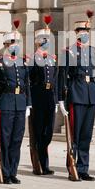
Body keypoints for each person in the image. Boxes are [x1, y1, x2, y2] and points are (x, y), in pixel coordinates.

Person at [0, 20, 32, 184]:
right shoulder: (0, 62)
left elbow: (27, 84)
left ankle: (13, 172)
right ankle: (4, 172)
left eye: (17, 42)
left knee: (17, 140)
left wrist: (28, 104)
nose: (16, 45)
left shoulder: (22, 62)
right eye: (13, 42)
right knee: (5, 139)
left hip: (20, 103)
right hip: (6, 103)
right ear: (6, 44)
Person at [58, 10, 95, 181]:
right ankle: (72, 167)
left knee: (86, 135)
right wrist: (61, 99)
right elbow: (62, 76)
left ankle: (83, 168)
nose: (85, 34)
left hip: (90, 95)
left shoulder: (93, 51)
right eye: (82, 31)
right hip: (76, 94)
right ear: (76, 33)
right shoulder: (69, 52)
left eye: (87, 31)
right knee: (74, 134)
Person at [29, 15, 58, 175]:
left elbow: (56, 79)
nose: (46, 41)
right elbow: (29, 80)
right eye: (43, 38)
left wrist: (57, 100)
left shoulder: (52, 59)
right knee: (39, 131)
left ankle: (43, 161)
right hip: (38, 97)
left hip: (49, 98)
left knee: (48, 132)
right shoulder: (33, 59)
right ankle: (39, 164)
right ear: (37, 41)